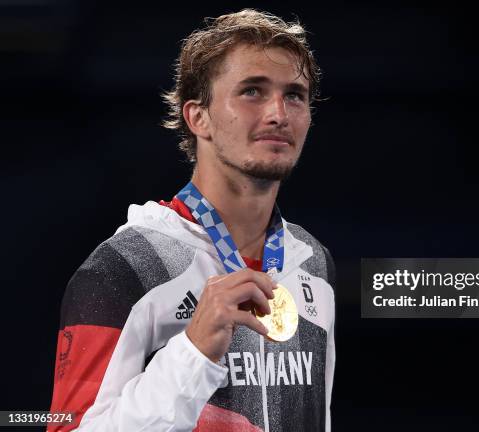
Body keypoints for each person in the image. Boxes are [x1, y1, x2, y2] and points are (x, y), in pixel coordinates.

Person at [48, 9, 336, 432]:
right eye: (252, 91)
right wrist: (193, 352)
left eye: (295, 95)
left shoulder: (312, 263)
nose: (279, 113)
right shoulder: (124, 268)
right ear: (197, 117)